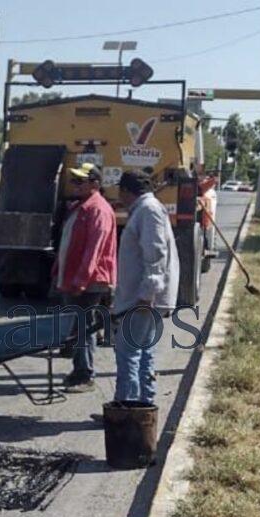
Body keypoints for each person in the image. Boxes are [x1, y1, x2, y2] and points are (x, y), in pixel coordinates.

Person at [113, 171, 179, 405]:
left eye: (120, 191)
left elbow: (155, 254)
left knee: (128, 352)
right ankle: (143, 405)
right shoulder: (146, 210)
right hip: (142, 297)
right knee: (142, 353)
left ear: (127, 191)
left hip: (142, 299)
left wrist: (147, 293)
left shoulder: (148, 211)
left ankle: (127, 408)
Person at [54, 163, 117, 393]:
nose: (75, 185)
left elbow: (94, 250)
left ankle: (85, 375)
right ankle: (79, 369)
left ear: (95, 184)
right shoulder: (81, 207)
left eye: (81, 181)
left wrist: (80, 280)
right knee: (77, 326)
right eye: (74, 181)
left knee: (83, 326)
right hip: (74, 278)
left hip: (89, 281)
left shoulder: (98, 209)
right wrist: (58, 270)